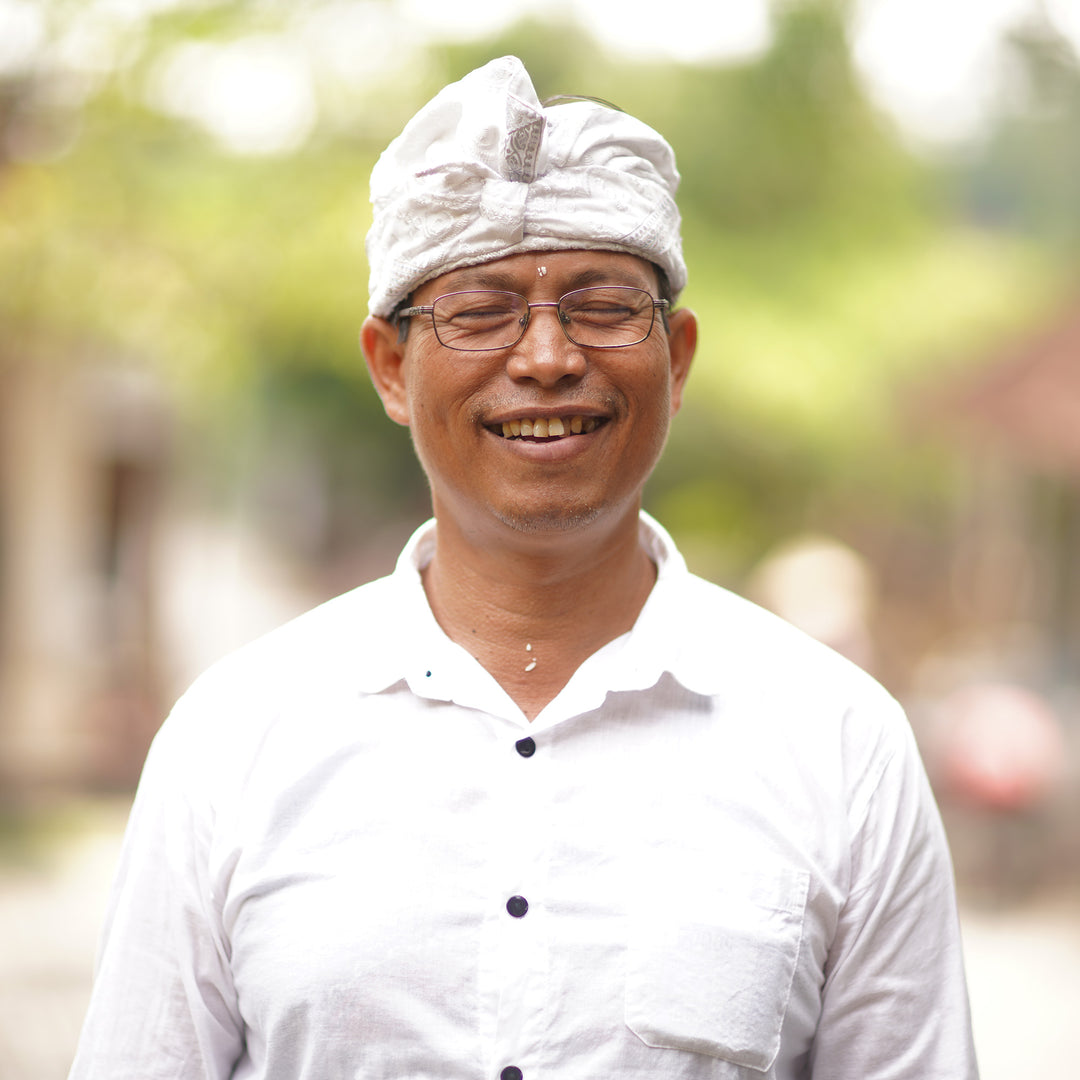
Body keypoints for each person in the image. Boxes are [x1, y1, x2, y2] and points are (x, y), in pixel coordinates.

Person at [69, 56, 979, 1080]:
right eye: (481, 310)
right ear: (390, 367)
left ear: (675, 359)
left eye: (600, 307)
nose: (546, 356)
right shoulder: (237, 738)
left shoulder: (838, 744)